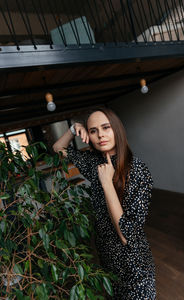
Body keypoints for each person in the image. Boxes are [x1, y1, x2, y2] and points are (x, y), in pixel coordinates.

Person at [53, 108, 156, 299]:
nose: (100, 135)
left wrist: (106, 182)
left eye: (106, 127)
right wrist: (74, 129)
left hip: (134, 267)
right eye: (93, 131)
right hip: (108, 262)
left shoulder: (138, 171)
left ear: (117, 129)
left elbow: (127, 236)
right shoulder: (94, 163)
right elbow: (58, 148)